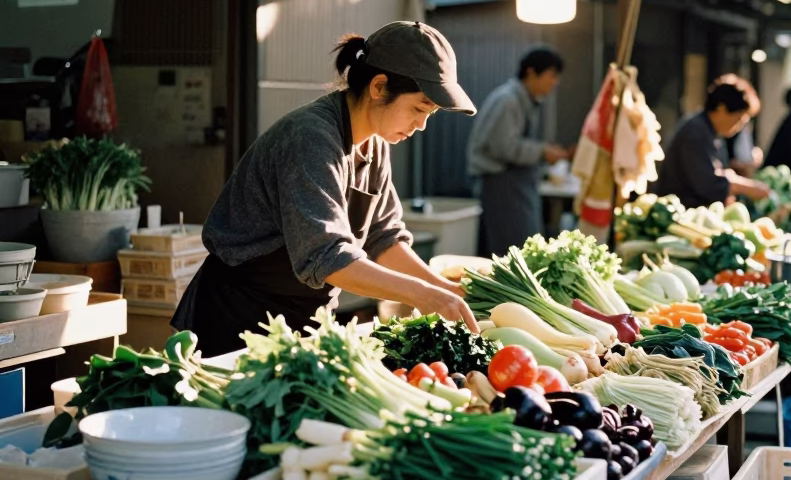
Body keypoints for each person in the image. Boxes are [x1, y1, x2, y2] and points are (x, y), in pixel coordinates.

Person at [172, 21, 479, 356]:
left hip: (304, 319)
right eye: (419, 109)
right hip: (238, 321)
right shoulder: (311, 138)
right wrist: (423, 295)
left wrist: (444, 289)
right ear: (379, 87)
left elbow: (383, 238)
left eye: (430, 114)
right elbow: (328, 258)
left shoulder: (375, 145)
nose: (420, 125)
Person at [467, 46, 569, 256]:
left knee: (523, 247)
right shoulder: (508, 100)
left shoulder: (523, 100)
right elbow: (503, 147)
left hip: (513, 184)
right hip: (502, 184)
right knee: (513, 251)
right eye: (551, 75)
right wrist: (543, 152)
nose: (554, 83)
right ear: (531, 73)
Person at [657, 75, 771, 207]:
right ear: (721, 108)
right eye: (739, 119)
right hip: (677, 211)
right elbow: (707, 183)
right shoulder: (695, 132)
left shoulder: (709, 130)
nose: (739, 126)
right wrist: (746, 188)